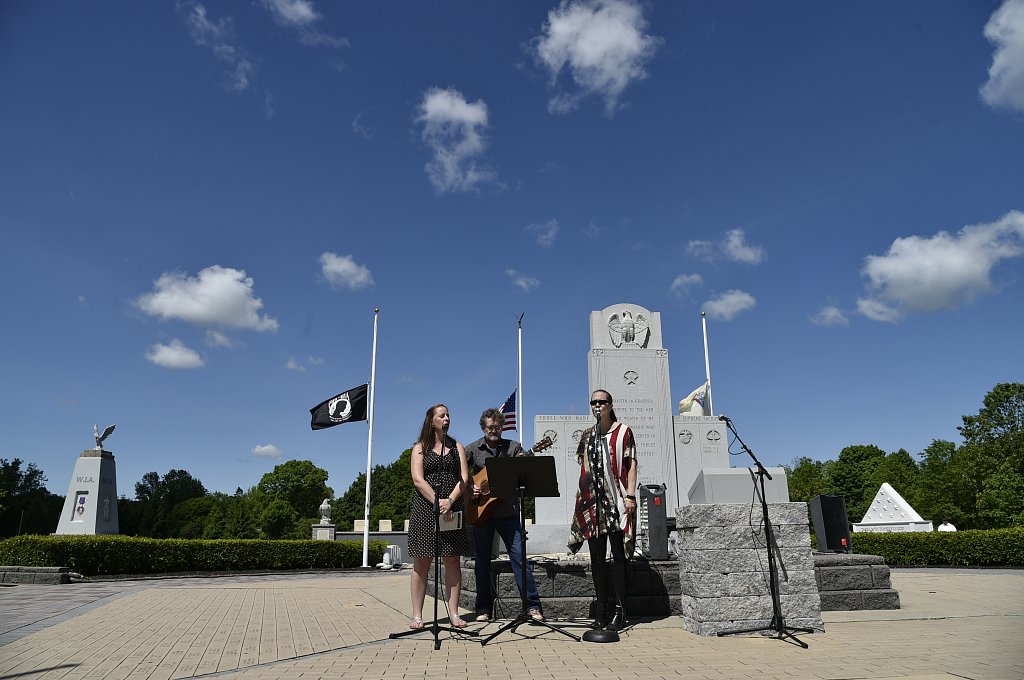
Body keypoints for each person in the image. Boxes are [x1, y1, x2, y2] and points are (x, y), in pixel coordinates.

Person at [568, 389, 637, 632]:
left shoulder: (623, 432)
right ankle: (602, 609)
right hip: (592, 503)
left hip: (616, 500)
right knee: (596, 558)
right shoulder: (588, 435)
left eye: (602, 402)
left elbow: (631, 464)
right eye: (594, 402)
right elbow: (583, 466)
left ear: (610, 405)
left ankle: (620, 610)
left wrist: (630, 495)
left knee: (618, 556)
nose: (598, 405)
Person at [466, 408, 544, 623]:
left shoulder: (514, 448)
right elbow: (459, 474)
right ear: (483, 428)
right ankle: (483, 608)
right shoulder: (472, 449)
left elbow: (523, 476)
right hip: (481, 512)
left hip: (507, 512)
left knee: (519, 558)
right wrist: (469, 488)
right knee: (482, 561)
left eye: (498, 426)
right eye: (490, 427)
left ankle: (532, 607)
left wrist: (522, 465)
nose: (494, 430)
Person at [407, 403, 471, 629]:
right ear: (432, 421)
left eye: (448, 415)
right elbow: (417, 479)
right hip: (426, 509)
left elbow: (463, 478)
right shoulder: (419, 448)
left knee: (452, 559)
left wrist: (449, 501)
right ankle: (417, 615)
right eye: (442, 416)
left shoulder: (457, 447)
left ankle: (453, 614)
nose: (447, 419)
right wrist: (436, 500)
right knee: (422, 560)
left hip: (451, 508)